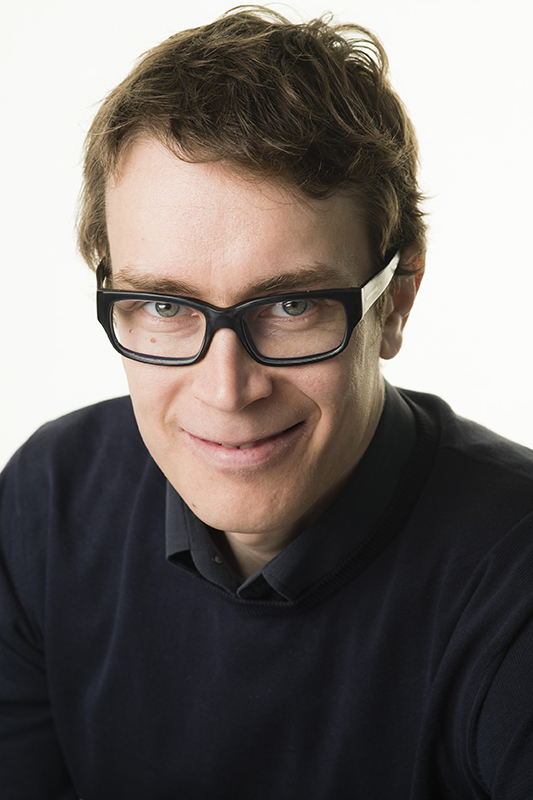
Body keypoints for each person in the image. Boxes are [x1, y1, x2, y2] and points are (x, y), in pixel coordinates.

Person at [1, 7, 533, 799]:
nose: (226, 389)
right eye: (165, 305)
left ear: (394, 301)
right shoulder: (50, 501)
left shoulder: (515, 582)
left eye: (290, 306)